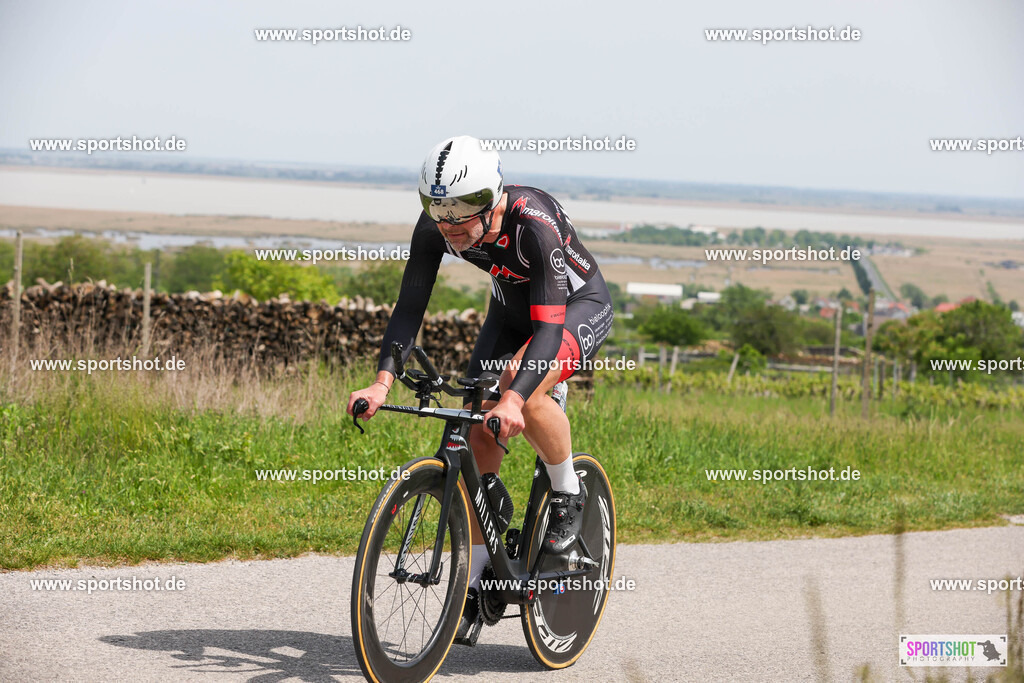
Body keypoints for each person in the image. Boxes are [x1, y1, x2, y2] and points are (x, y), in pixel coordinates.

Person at [346, 135, 613, 644]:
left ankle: (567, 497)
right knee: (476, 423)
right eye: (436, 212)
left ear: (491, 201)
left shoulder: (532, 223)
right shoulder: (439, 226)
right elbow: (410, 307)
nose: (449, 227)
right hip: (509, 315)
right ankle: (481, 571)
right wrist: (382, 382)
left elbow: (550, 329)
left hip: (574, 311)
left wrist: (514, 398)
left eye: (461, 214)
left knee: (517, 385)